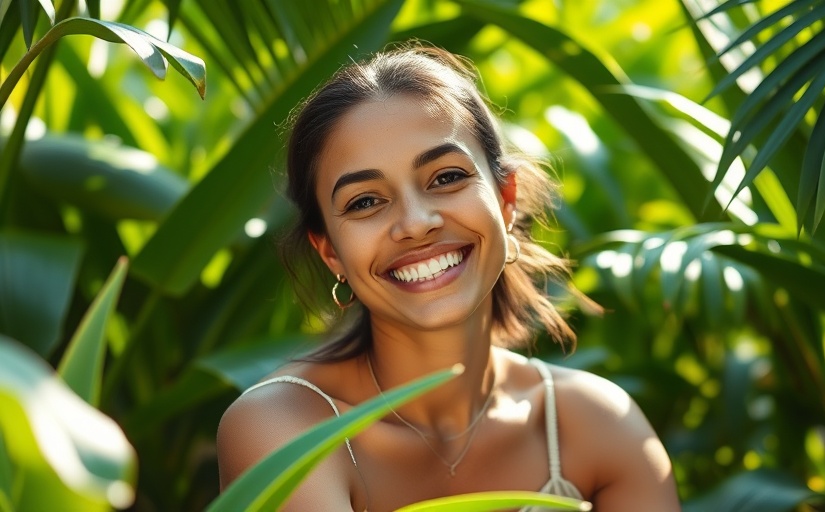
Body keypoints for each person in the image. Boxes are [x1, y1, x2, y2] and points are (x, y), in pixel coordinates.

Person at [217, 43, 680, 511]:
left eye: (446, 177)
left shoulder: (597, 425)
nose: (416, 223)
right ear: (331, 252)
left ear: (505, 199)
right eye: (365, 202)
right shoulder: (282, 429)